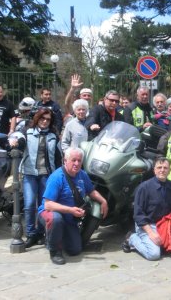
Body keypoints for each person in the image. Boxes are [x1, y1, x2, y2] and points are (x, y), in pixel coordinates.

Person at [38, 148, 108, 265]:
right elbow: (48, 204)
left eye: (79, 161)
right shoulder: (57, 177)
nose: (76, 163)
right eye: (73, 160)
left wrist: (103, 201)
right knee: (56, 219)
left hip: (69, 218)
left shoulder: (82, 174)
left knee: (75, 250)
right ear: (65, 160)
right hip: (49, 213)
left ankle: (56, 237)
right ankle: (55, 251)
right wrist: (70, 210)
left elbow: (91, 191)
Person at [122, 157, 171, 261]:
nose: (162, 170)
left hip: (165, 224)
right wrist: (151, 233)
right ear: (154, 170)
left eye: (165, 168)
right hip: (148, 225)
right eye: (159, 167)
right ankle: (132, 239)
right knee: (154, 254)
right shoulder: (144, 188)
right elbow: (138, 214)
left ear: (169, 170)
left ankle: (166, 241)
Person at [18, 108, 61, 249]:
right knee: (30, 204)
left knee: (44, 206)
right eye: (42, 118)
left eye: (48, 119)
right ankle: (31, 234)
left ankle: (41, 233)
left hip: (46, 175)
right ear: (37, 118)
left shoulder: (53, 135)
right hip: (29, 173)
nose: (44, 121)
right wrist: (14, 142)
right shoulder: (27, 132)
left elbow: (57, 156)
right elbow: (18, 139)